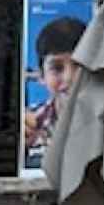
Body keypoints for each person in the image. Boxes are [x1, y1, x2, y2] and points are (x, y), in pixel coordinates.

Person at [23, 15, 85, 165]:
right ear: (41, 76)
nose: (70, 78)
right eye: (57, 68)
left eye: (80, 65)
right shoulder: (28, 124)